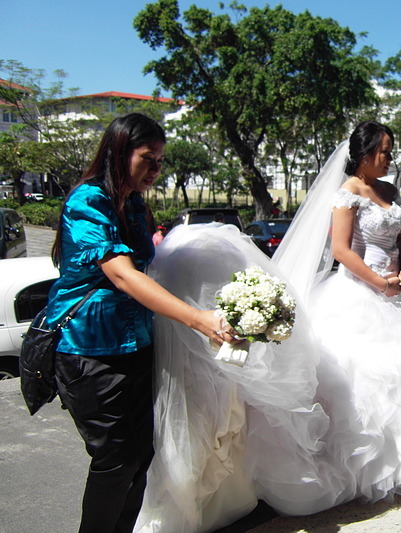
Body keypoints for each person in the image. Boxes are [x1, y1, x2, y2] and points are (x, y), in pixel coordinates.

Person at [135, 121, 401, 531]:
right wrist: (379, 282)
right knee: (364, 385)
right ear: (364, 155)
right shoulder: (347, 193)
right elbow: (341, 250)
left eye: (391, 151)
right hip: (359, 293)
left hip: (398, 293)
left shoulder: (390, 191)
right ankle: (364, 468)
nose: (389, 158)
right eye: (384, 151)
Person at [46, 113, 237, 533]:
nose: (155, 169)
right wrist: (197, 319)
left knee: (141, 456)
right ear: (118, 152)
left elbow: (153, 265)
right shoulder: (87, 201)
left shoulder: (134, 204)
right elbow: (122, 273)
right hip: (88, 350)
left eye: (161, 161)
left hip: (137, 345)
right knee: (115, 459)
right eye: (148, 158)